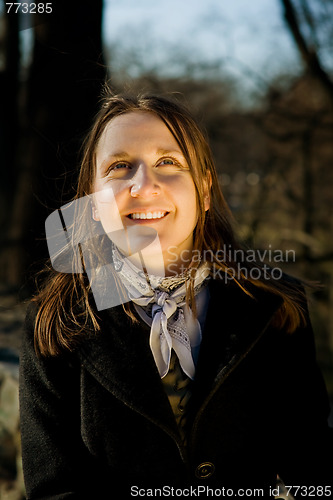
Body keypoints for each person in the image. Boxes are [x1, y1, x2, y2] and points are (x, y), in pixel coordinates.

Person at [19, 90, 332, 499]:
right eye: (120, 166)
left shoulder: (276, 305)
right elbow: (55, 489)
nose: (143, 185)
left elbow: (311, 464)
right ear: (93, 203)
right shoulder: (56, 325)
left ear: (203, 191)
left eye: (168, 162)